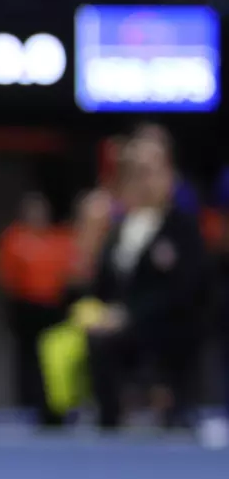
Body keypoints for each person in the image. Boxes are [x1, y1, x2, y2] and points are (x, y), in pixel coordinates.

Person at [85, 134, 208, 429]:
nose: (143, 182)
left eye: (150, 171)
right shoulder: (115, 228)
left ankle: (161, 401)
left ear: (170, 175)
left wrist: (127, 316)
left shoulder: (184, 228)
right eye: (135, 173)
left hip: (167, 341)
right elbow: (100, 286)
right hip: (115, 340)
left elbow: (185, 291)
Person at [0, 191, 73, 425]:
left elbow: (67, 273)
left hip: (52, 311)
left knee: (54, 359)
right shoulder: (13, 239)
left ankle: (56, 406)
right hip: (25, 310)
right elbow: (5, 277)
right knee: (27, 360)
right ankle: (29, 404)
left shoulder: (59, 239)